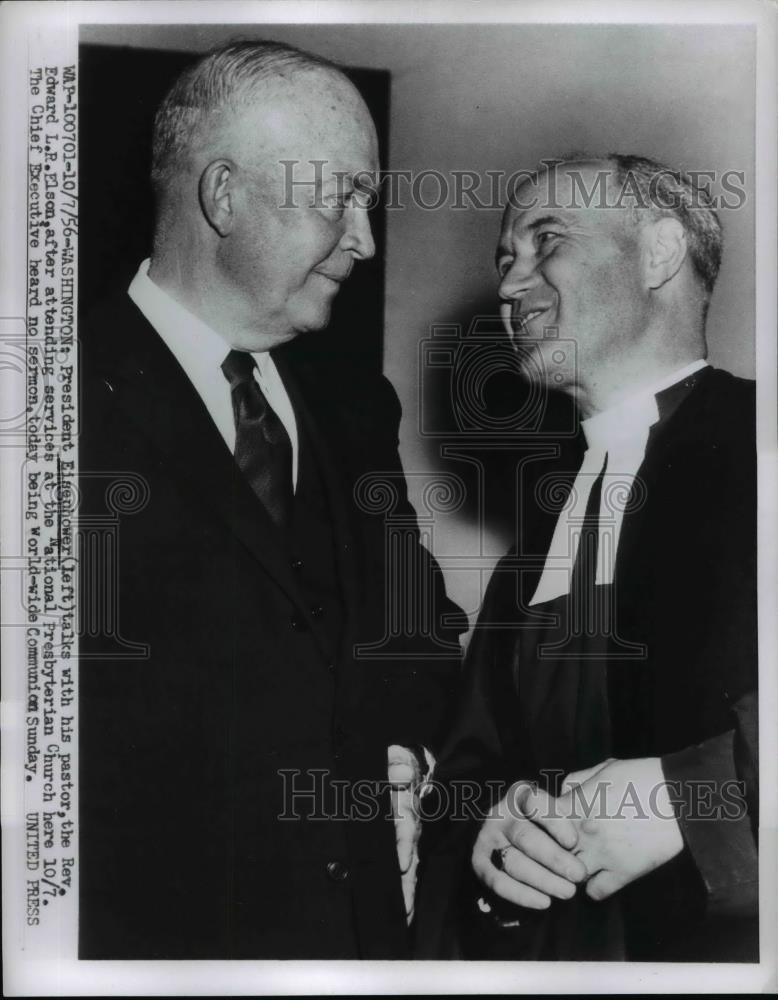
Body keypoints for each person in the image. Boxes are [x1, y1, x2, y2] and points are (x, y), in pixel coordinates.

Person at [78, 40, 465, 960]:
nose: (366, 241)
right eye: (342, 198)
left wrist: (407, 757)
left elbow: (419, 625)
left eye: (370, 205)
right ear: (223, 195)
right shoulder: (50, 397)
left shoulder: (353, 405)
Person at [421, 154, 757, 962]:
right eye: (505, 258)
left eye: (547, 241)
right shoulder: (539, 530)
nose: (508, 286)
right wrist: (489, 841)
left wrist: (695, 795)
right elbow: (472, 772)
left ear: (659, 252)